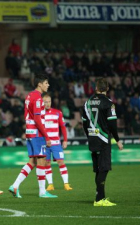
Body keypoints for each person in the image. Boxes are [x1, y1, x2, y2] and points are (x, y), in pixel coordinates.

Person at [8, 73, 57, 198]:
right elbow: (37, 119)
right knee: (41, 160)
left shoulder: (29, 96)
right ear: (39, 84)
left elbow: (26, 115)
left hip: (30, 132)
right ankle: (42, 192)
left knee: (32, 161)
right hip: (37, 133)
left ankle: (14, 186)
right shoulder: (37, 98)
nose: (48, 85)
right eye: (46, 83)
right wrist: (46, 136)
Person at [82, 77, 123, 206]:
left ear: (96, 88)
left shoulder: (87, 103)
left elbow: (84, 123)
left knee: (98, 169)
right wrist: (117, 140)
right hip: (104, 139)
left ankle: (100, 196)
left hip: (93, 138)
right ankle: (99, 199)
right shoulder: (108, 103)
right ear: (107, 89)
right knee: (104, 168)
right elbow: (112, 124)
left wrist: (89, 136)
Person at [42, 94, 72, 191]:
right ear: (42, 102)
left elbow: (63, 127)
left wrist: (65, 140)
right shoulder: (39, 114)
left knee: (60, 161)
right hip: (44, 144)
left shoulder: (57, 113)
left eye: (49, 101)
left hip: (56, 143)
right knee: (46, 163)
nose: (47, 104)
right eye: (45, 102)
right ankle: (50, 184)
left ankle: (66, 184)